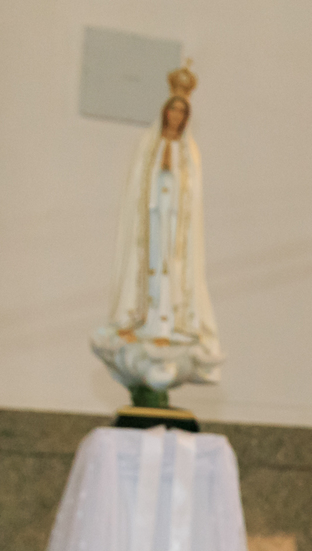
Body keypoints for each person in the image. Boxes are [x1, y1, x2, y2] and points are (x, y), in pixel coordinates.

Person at [91, 62, 223, 405]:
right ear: (165, 113)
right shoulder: (147, 146)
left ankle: (169, 327)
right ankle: (141, 323)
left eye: (182, 112)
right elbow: (138, 185)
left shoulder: (189, 152)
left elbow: (192, 194)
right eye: (173, 110)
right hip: (151, 223)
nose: (176, 116)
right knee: (148, 271)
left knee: (172, 274)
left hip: (175, 227)